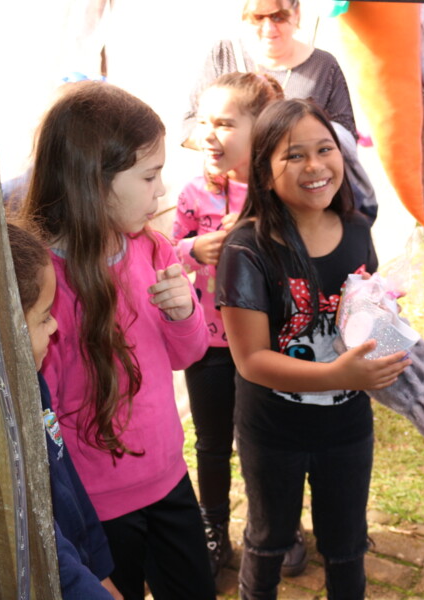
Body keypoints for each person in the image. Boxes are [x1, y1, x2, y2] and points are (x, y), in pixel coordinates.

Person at [18, 80, 213, 600]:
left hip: (170, 479)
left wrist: (183, 313)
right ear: (94, 182)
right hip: (101, 510)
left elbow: (188, 355)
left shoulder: (152, 248)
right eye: (150, 176)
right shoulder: (44, 288)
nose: (163, 191)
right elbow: (46, 416)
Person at [215, 99, 411, 599]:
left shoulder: (358, 231)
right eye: (294, 155)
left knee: (346, 545)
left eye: (325, 149)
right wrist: (340, 377)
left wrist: (386, 323)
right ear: (263, 172)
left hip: (346, 428)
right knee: (269, 539)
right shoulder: (246, 249)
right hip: (273, 431)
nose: (316, 165)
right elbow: (252, 360)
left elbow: (363, 317)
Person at [171, 71, 283, 581]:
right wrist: (193, 249)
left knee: (268, 442)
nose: (209, 133)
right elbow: (165, 260)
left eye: (224, 123)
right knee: (212, 443)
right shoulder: (195, 193)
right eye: (204, 122)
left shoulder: (278, 192)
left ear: (259, 130)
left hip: (266, 343)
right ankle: (213, 529)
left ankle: (276, 529)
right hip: (209, 347)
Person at [7, 222, 122, 600]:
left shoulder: (33, 384)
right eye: (43, 317)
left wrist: (101, 568)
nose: (55, 327)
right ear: (2, 332)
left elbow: (66, 481)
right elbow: (42, 545)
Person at [182, 0, 377, 224]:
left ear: (297, 14)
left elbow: (345, 136)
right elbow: (188, 127)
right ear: (244, 16)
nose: (268, 28)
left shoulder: (324, 64)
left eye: (279, 17)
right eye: (258, 17)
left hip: (299, 197)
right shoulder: (224, 53)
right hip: (226, 195)